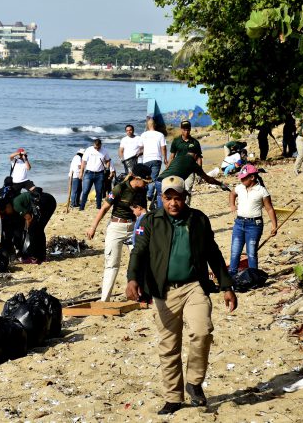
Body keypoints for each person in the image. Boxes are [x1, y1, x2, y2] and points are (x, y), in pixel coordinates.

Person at [126, 176, 237, 415]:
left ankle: (194, 383)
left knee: (202, 331)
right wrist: (132, 278)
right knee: (169, 346)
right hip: (163, 291)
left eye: (177, 198)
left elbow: (213, 253)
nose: (173, 203)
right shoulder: (151, 220)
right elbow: (139, 252)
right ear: (161, 198)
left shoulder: (198, 219)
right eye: (168, 198)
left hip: (194, 286)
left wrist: (226, 285)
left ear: (185, 198)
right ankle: (173, 397)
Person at [85, 164, 151, 301]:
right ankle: (105, 299)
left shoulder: (142, 191)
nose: (146, 185)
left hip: (133, 227)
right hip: (116, 227)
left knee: (140, 261)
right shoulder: (120, 188)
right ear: (136, 178)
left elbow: (144, 212)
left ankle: (140, 295)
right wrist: (93, 227)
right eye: (144, 181)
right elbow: (104, 208)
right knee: (112, 264)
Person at [227, 164, 278, 276]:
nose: (241, 179)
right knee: (235, 251)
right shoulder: (240, 188)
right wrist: (232, 205)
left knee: (251, 253)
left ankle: (253, 276)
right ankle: (232, 275)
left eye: (244, 178)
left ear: (252, 177)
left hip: (254, 225)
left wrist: (274, 226)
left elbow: (269, 209)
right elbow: (232, 194)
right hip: (239, 223)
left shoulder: (261, 191)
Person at [155, 143, 229, 208]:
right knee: (171, 207)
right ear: (196, 155)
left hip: (159, 181)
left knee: (161, 208)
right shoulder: (193, 164)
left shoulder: (178, 157)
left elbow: (170, 170)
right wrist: (220, 184)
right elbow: (208, 179)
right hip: (169, 184)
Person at [0, 188, 56, 264]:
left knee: (33, 230)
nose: (6, 214)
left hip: (46, 202)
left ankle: (34, 257)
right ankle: (42, 257)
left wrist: (27, 230)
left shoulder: (16, 205)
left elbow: (29, 218)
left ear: (7, 206)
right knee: (38, 230)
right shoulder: (12, 204)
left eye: (5, 212)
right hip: (47, 201)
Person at [167, 120, 203, 197]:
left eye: (188, 130)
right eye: (184, 130)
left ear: (190, 129)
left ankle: (186, 207)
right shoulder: (176, 141)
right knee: (177, 189)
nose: (186, 132)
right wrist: (167, 169)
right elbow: (172, 156)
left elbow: (199, 158)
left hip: (190, 170)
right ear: (181, 129)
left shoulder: (195, 142)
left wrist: (200, 173)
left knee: (187, 190)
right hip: (177, 169)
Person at [78, 139, 112, 210]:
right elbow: (83, 162)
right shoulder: (89, 150)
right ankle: (82, 207)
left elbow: (108, 160)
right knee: (85, 191)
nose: (96, 149)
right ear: (93, 144)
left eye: (98, 147)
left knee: (99, 191)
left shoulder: (104, 151)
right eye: (95, 147)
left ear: (101, 145)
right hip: (88, 173)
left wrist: (107, 168)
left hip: (100, 174)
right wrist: (81, 172)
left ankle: (98, 207)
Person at [141, 117, 167, 205]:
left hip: (146, 159)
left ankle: (147, 193)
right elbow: (163, 148)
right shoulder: (160, 135)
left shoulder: (143, 135)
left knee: (146, 178)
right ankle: (149, 194)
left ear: (147, 126)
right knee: (153, 178)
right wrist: (165, 158)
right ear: (154, 125)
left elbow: (141, 147)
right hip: (156, 159)